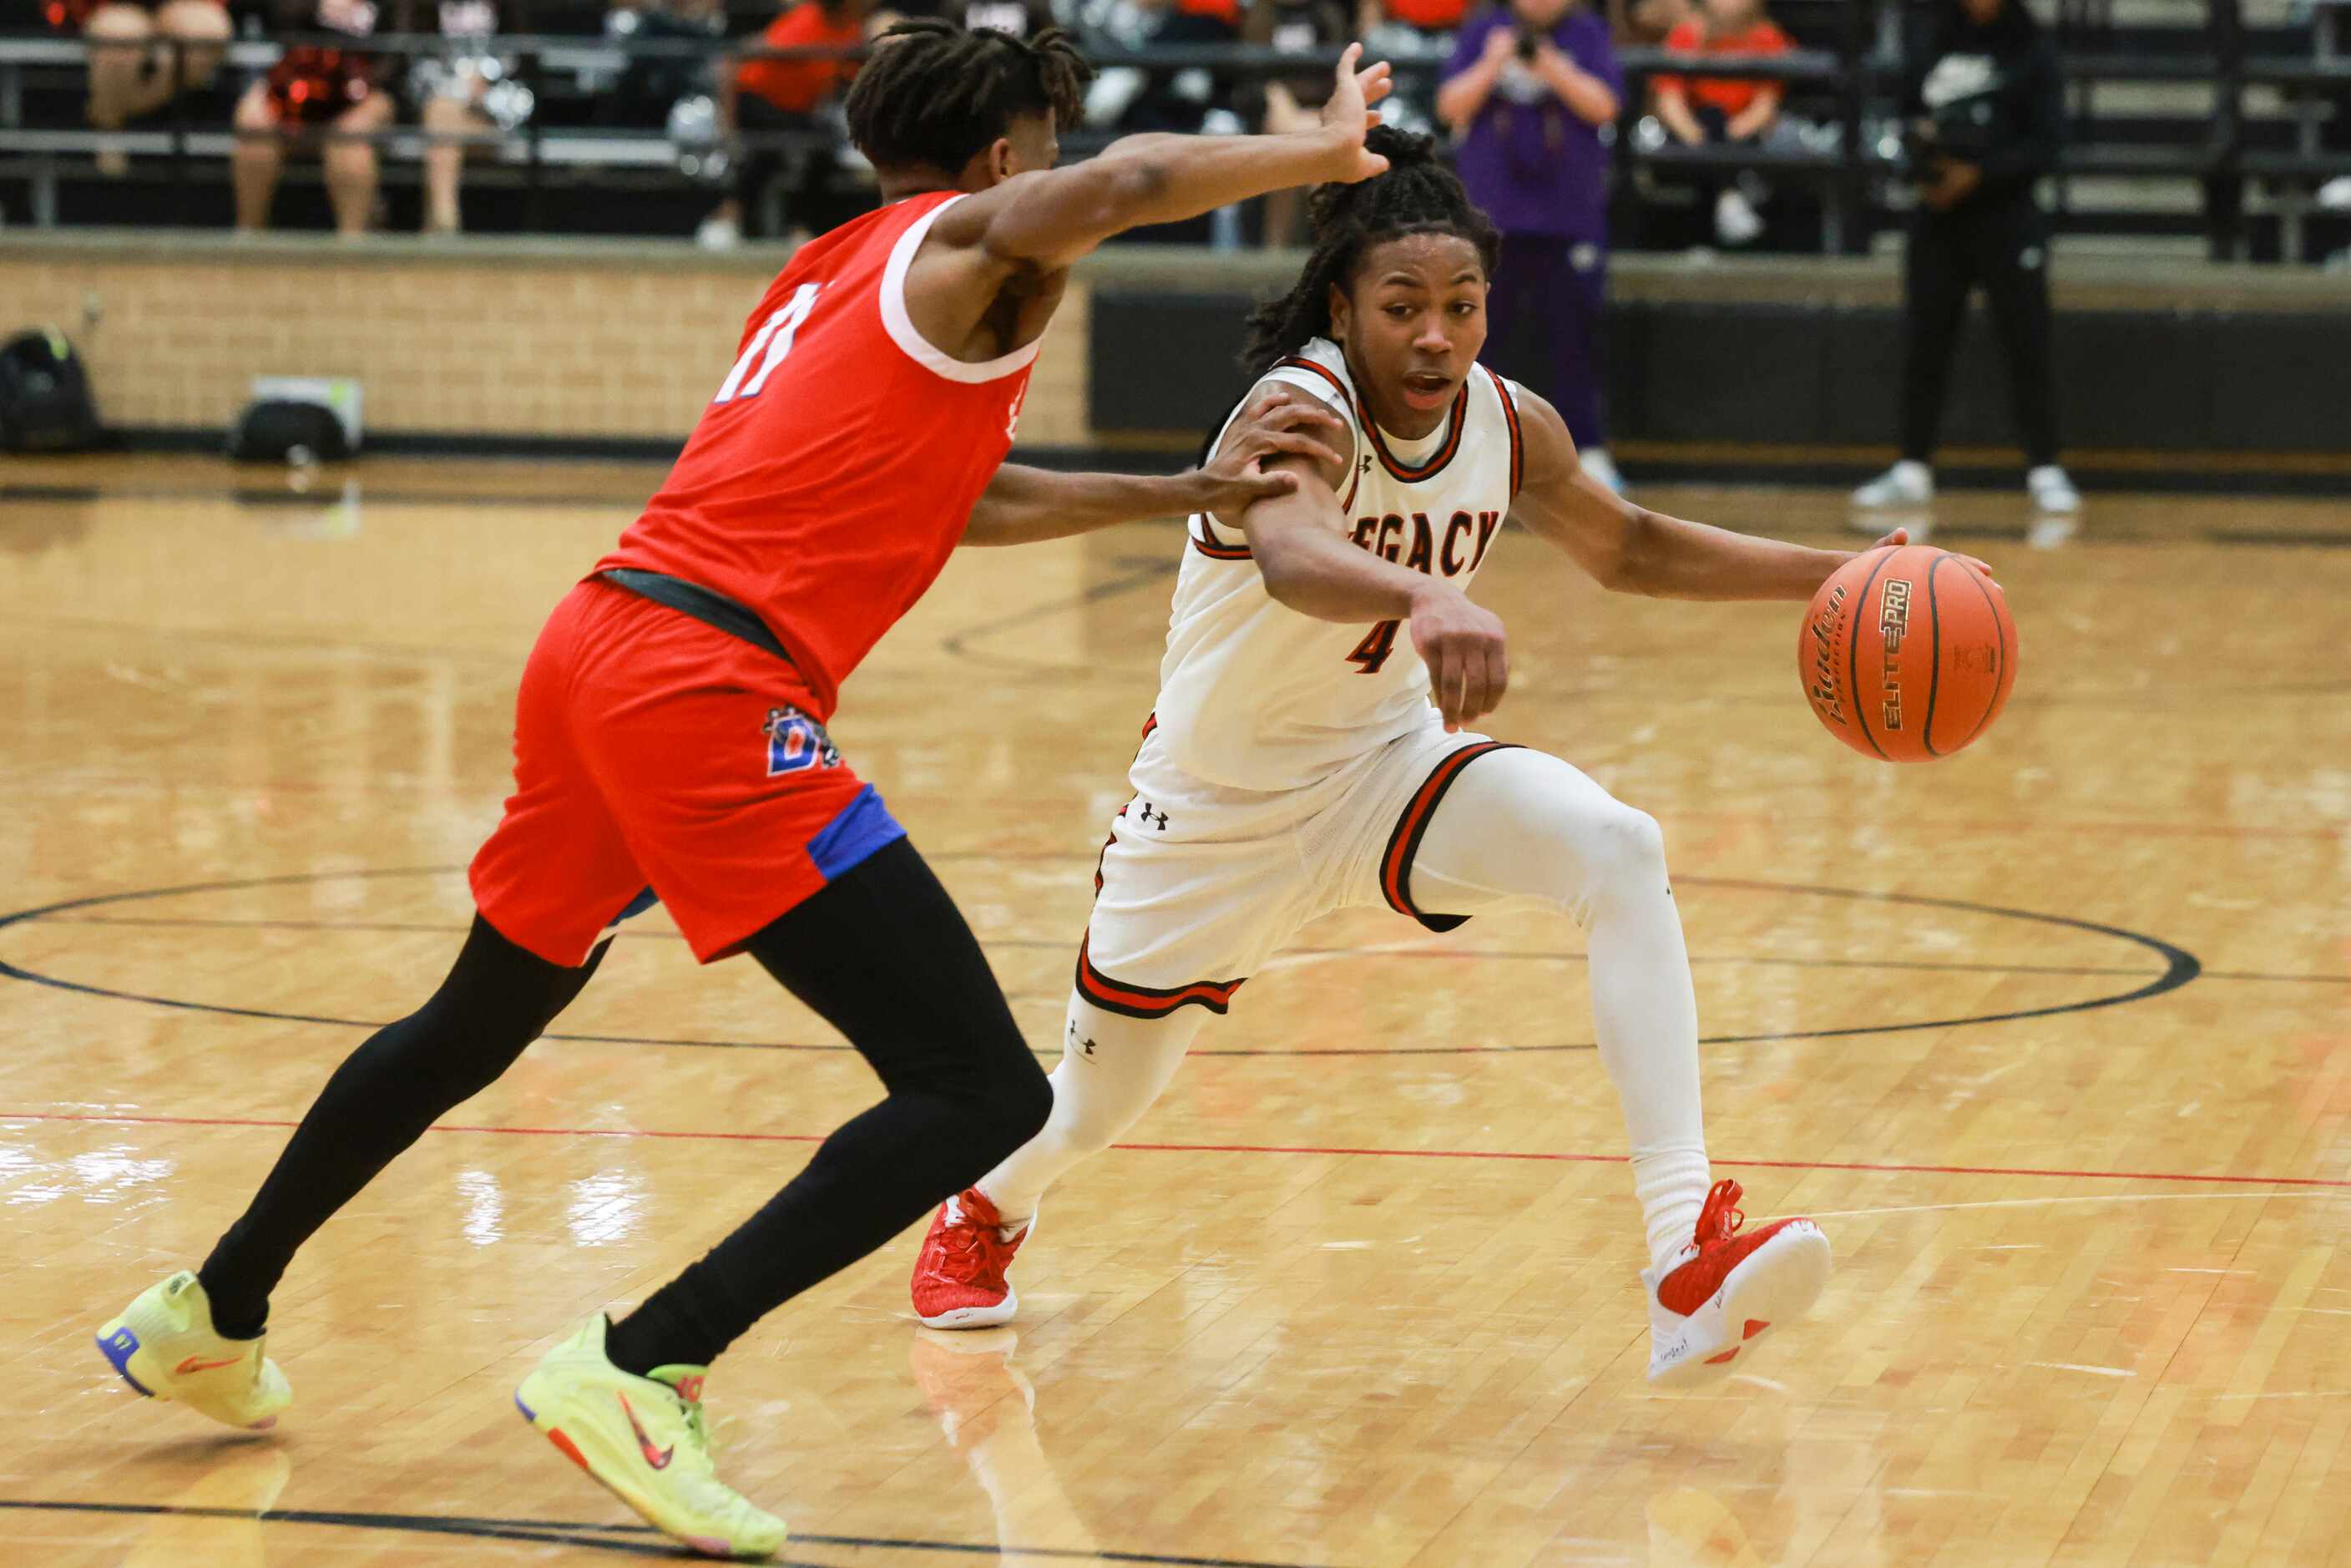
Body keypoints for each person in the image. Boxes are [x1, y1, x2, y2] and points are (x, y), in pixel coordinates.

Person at [94, 27, 1396, 1560]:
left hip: (599, 640)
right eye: (1041, 150)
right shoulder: (967, 236)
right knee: (978, 1090)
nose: (1055, 180)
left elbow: (960, 493)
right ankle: (642, 1363)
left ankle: (214, 1304)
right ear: (1000, 161)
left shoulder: (834, 267)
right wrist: (1320, 154)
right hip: (702, 687)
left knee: (479, 1014)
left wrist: (1178, 495)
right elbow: (1135, 177)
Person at [908, 126, 2000, 1383]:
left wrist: (1851, 571)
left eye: (1464, 306)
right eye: (1404, 306)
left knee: (1616, 847)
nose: (1437, 335)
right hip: (1215, 812)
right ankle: (986, 1205)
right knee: (1093, 1108)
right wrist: (1424, 597)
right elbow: (1294, 553)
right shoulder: (1292, 407)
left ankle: (1682, 1254)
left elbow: (1630, 545)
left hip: (1384, 773)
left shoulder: (1505, 421)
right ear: (1343, 304)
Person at [1851, 0, 2080, 517]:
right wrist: (1926, 159)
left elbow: (2048, 142)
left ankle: (2045, 467)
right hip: (1938, 216)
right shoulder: (1931, 37)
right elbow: (1907, 113)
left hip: (2008, 216)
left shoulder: (2031, 47)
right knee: (1926, 339)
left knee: (2025, 339)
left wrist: (1982, 173)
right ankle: (1912, 466)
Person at [1436, 0, 1626, 493]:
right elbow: (1450, 105)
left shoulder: (1586, 34)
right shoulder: (1484, 31)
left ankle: (1587, 450)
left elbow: (1605, 106)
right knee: (1480, 339)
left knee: (1575, 338)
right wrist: (1493, 62)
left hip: (1568, 217)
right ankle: (1469, 450)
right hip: (1490, 219)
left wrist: (1552, 66)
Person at [232, 0, 397, 235]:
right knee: (252, 120)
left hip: (366, 89)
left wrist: (359, 84)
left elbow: (398, 48)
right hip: (296, 80)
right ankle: (249, 234)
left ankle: (352, 243)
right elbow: (278, 23)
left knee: (351, 133)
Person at [1651, 0, 1792, 248]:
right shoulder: (1687, 34)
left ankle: (1726, 205)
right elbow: (1669, 101)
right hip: (1694, 132)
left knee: (1739, 131)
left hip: (1746, 133)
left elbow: (1765, 106)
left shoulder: (1767, 37)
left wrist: (1730, 135)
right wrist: (1695, 136)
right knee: (1712, 118)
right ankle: (1729, 200)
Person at [76, 0, 233, 175]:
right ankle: (110, 128)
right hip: (114, 7)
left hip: (183, 5)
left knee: (208, 30)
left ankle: (110, 108)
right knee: (116, 34)